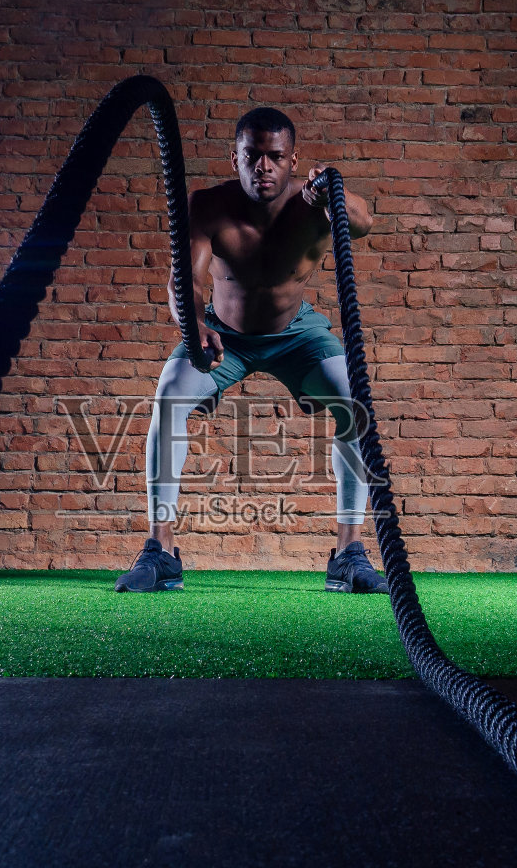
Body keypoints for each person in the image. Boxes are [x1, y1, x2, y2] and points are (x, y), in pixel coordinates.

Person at [114, 107, 387, 594]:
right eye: (253, 156)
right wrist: (194, 324)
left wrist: (334, 191)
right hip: (224, 334)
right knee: (169, 396)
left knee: (354, 402)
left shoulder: (313, 205)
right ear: (235, 157)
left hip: (296, 335)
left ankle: (348, 553)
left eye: (275, 157)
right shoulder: (209, 206)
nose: (263, 167)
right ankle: (161, 550)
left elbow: (365, 222)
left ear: (292, 160)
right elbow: (185, 282)